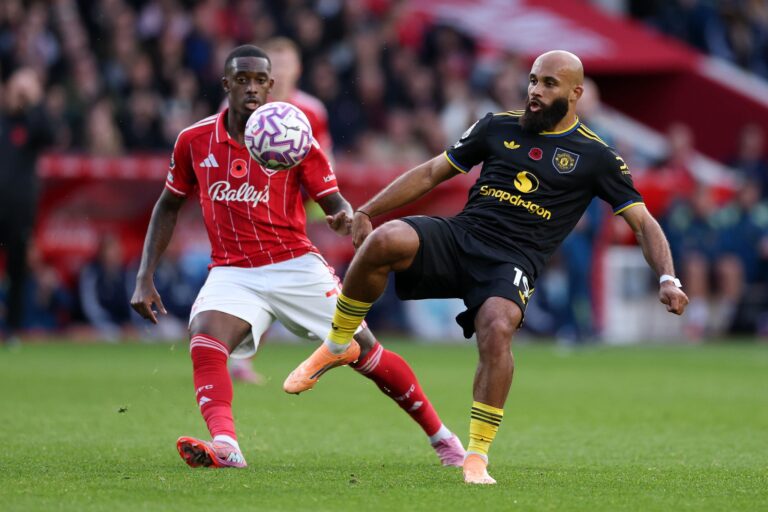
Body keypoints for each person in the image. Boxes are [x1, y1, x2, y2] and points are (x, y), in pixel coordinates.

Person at [287, 50, 690, 485]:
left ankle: (476, 455)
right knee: (385, 239)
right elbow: (430, 173)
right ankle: (340, 341)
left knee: (497, 326)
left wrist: (668, 278)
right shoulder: (497, 125)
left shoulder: (596, 156)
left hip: (514, 260)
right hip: (463, 236)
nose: (536, 90)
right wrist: (367, 210)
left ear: (575, 93)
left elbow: (644, 223)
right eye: (533, 80)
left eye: (549, 83)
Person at [130, 45, 465, 469]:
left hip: (294, 265)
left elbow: (332, 201)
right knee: (204, 338)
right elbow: (167, 205)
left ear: (271, 86)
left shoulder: (294, 136)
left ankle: (443, 438)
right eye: (242, 79)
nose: (251, 88)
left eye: (259, 81)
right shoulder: (194, 141)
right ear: (226, 85)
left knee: (366, 353)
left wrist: (344, 218)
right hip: (233, 271)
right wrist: (145, 276)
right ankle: (227, 444)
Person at [0, 68, 54, 345]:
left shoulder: (30, 123)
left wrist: (34, 100)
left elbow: (50, 135)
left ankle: (12, 331)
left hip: (19, 212)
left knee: (17, 270)